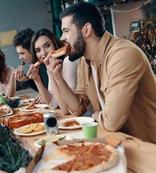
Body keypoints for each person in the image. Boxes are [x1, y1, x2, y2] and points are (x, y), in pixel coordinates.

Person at [47, 2, 156, 143]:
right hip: (117, 142)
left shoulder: (122, 55)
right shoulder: (84, 61)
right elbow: (78, 109)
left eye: (66, 31)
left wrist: (94, 116)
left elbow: (112, 121)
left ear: (86, 30)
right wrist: (57, 78)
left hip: (147, 147)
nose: (62, 38)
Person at [27, 28, 78, 111]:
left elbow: (66, 109)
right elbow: (53, 104)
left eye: (47, 45)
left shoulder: (68, 62)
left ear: (55, 44)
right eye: (38, 50)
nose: (43, 53)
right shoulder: (50, 67)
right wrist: (37, 80)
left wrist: (51, 74)